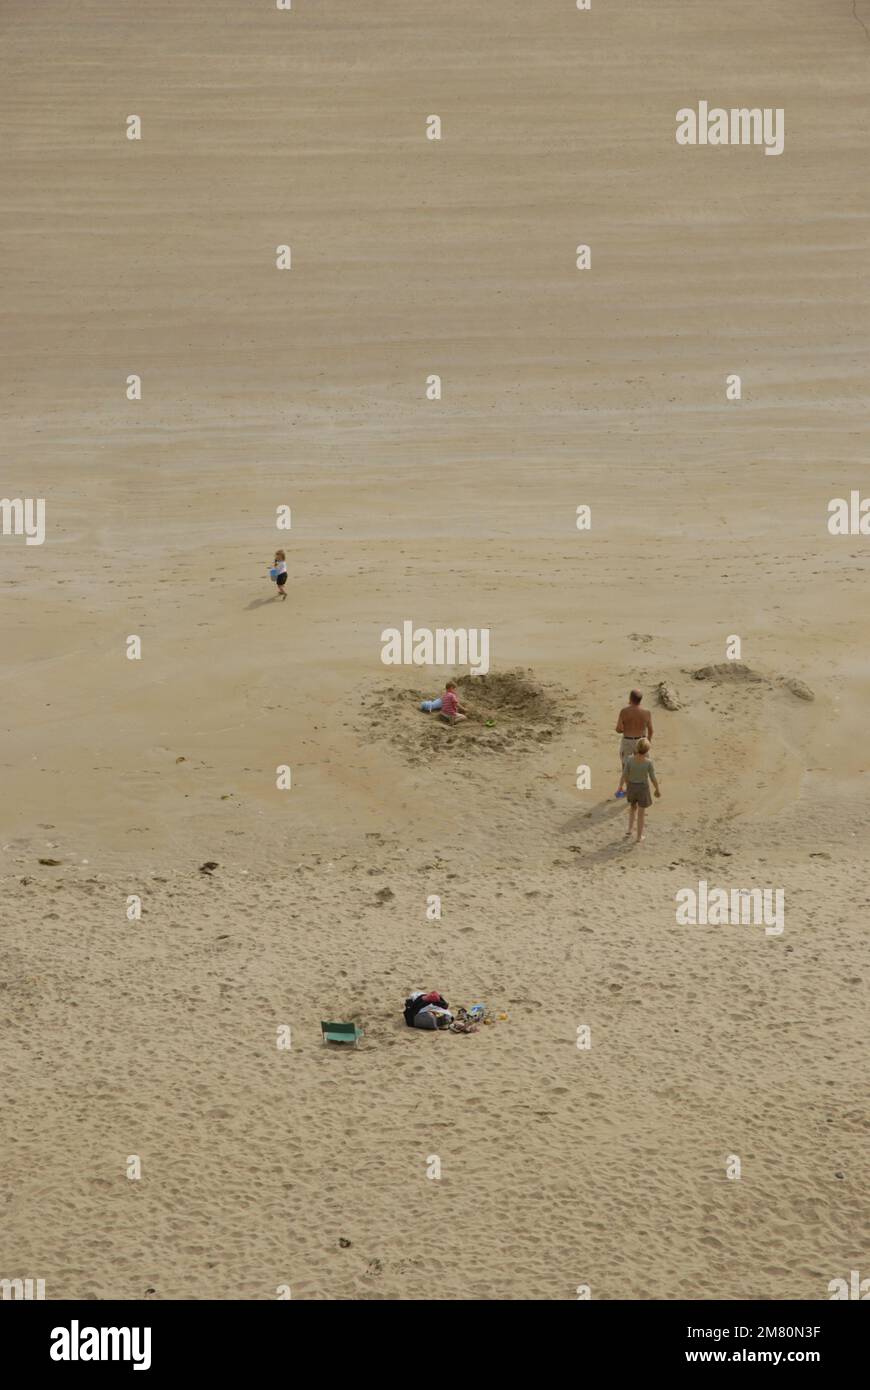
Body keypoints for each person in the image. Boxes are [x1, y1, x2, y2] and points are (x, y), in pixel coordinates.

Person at [617, 737, 661, 843]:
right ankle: (639, 836)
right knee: (641, 813)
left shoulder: (630, 760)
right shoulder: (648, 763)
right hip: (642, 788)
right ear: (647, 750)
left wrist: (620, 787)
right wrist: (657, 788)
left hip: (631, 787)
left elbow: (624, 775)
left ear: (636, 747)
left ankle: (629, 829)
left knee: (632, 808)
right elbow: (652, 777)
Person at [615, 689, 653, 796]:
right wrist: (648, 742)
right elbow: (651, 730)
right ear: (640, 700)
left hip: (628, 740)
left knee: (626, 766)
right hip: (641, 740)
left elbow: (618, 729)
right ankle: (642, 789)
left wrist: (626, 727)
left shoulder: (624, 711)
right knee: (643, 765)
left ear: (630, 699)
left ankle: (629, 789)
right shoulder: (647, 712)